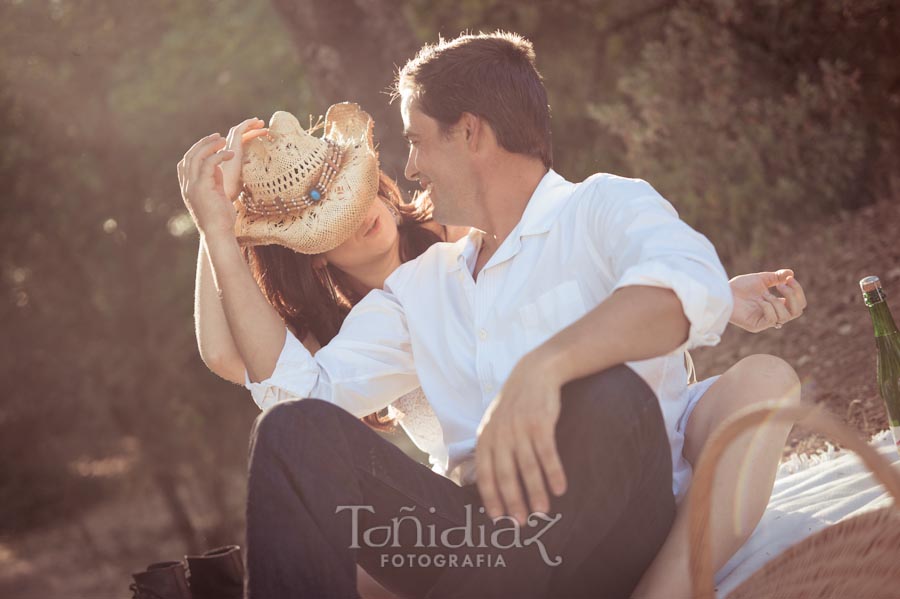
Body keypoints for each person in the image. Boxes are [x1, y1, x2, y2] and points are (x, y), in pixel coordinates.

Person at [178, 36, 805, 599]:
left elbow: (682, 294)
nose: (412, 167)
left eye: (418, 140)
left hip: (607, 523)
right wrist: (216, 227)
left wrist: (545, 370)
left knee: (610, 392)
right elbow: (295, 391)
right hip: (478, 540)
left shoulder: (603, 206)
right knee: (292, 433)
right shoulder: (421, 286)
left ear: (470, 133)